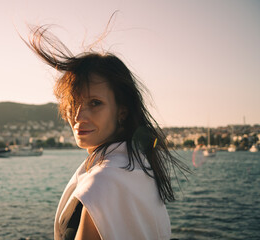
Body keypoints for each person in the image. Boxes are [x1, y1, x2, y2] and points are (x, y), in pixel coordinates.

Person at [24, 25, 188, 240]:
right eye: (74, 103)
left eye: (95, 103)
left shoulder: (104, 182)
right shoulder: (140, 167)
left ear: (122, 111)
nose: (79, 115)